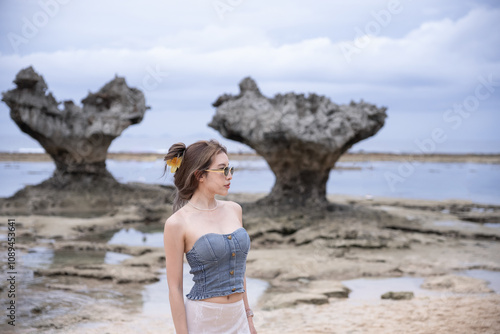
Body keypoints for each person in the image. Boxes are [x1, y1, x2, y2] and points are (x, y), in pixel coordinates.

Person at [162, 139, 257, 334]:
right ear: (200, 175)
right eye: (223, 170)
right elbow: (175, 288)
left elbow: (241, 271)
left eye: (230, 169)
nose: (229, 176)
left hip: (239, 318)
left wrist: (249, 318)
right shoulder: (177, 223)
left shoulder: (234, 209)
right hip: (203, 320)